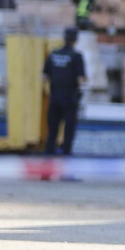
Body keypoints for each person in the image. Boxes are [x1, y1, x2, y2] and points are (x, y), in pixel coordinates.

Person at [42, 27, 86, 159]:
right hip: (69, 98)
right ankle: (66, 155)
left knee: (53, 128)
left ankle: (49, 154)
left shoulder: (53, 54)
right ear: (76, 40)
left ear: (64, 38)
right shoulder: (76, 56)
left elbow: (44, 76)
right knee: (69, 128)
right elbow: (81, 79)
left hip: (54, 97)